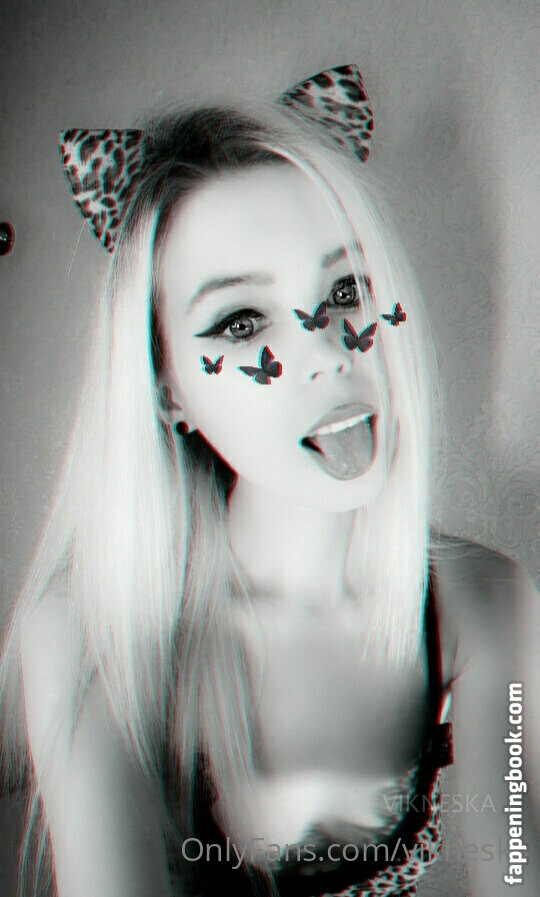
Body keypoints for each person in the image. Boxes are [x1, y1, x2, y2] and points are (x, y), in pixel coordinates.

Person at [0, 65, 538, 897]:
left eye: (348, 289)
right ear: (167, 390)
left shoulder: (486, 601)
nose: (328, 352)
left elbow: (516, 862)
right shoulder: (89, 633)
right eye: (241, 320)